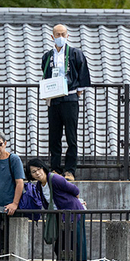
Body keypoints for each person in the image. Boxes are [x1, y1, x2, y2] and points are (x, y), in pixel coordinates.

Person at [40, 24, 91, 180]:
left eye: (63, 34)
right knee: (54, 135)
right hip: (54, 98)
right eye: (57, 34)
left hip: (70, 97)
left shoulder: (76, 54)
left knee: (71, 135)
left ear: (67, 35)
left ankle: (70, 170)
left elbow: (83, 76)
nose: (60, 37)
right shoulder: (47, 56)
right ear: (52, 36)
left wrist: (76, 92)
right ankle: (55, 168)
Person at [25, 158, 86, 261]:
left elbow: (75, 190)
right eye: (33, 172)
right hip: (59, 216)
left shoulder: (55, 179)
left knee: (76, 243)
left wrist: (77, 202)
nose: (37, 173)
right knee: (60, 244)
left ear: (43, 168)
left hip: (73, 214)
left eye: (39, 169)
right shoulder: (39, 186)